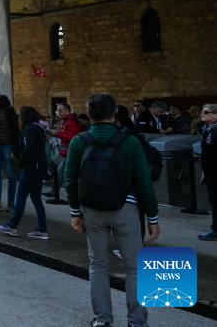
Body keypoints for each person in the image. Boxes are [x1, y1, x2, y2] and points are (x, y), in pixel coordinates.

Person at [66, 93, 160, 327]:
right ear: (115, 113)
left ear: (89, 114)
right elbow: (143, 182)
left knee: (98, 265)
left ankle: (102, 319)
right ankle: (137, 321)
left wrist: (75, 212)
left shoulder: (80, 141)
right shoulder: (129, 142)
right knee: (135, 267)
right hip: (125, 208)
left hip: (92, 209)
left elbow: (70, 179)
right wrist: (152, 216)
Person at [0, 106, 49, 239]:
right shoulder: (38, 129)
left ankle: (12, 225)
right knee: (36, 198)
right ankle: (42, 229)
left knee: (21, 196)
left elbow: (29, 149)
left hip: (31, 168)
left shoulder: (29, 130)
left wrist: (20, 161)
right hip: (39, 167)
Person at [45, 101, 83, 203]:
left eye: (60, 110)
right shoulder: (66, 121)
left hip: (72, 152)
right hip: (67, 152)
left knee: (63, 173)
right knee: (60, 172)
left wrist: (57, 133)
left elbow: (72, 137)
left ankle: (64, 196)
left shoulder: (71, 122)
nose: (58, 112)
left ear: (67, 111)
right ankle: (55, 192)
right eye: (57, 110)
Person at [198, 104, 217, 241]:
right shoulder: (207, 130)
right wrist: (205, 171)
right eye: (202, 111)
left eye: (206, 112)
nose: (202, 114)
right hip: (211, 173)